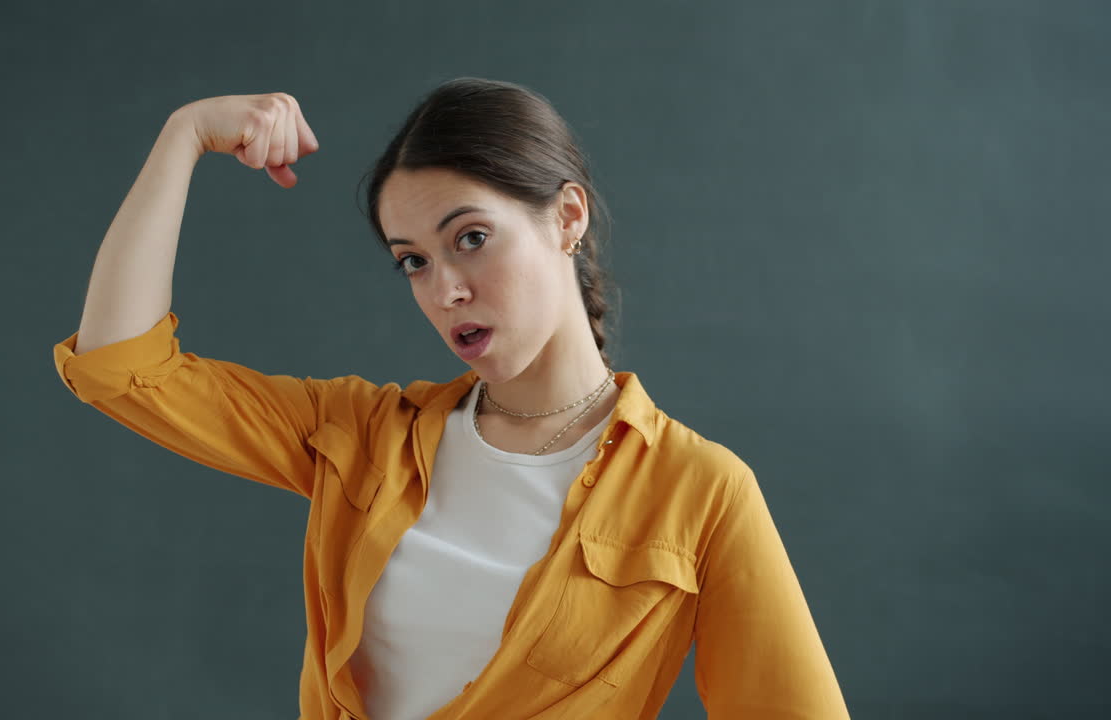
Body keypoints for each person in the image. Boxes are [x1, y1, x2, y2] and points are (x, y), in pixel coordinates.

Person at [52, 77, 850, 719]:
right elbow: (121, 368)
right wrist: (184, 135)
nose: (447, 291)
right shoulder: (361, 437)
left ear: (566, 218)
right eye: (414, 262)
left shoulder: (699, 492)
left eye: (470, 238)